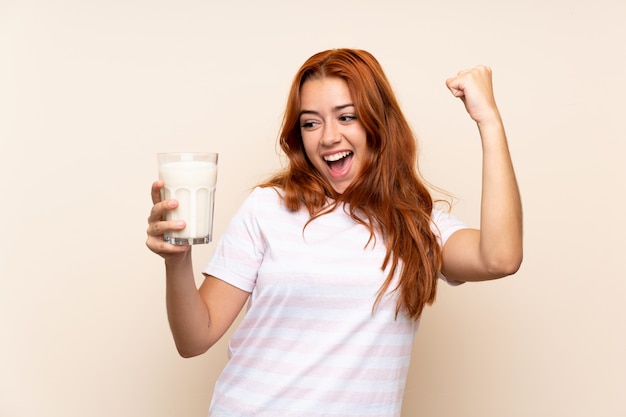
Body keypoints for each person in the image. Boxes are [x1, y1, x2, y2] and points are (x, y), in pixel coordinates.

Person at [146, 48, 522, 417]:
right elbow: (194, 339)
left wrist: (488, 121)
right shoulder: (268, 207)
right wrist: (176, 260)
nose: (327, 137)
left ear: (379, 124)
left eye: (347, 117)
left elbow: (501, 259)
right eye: (310, 123)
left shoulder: (418, 227)